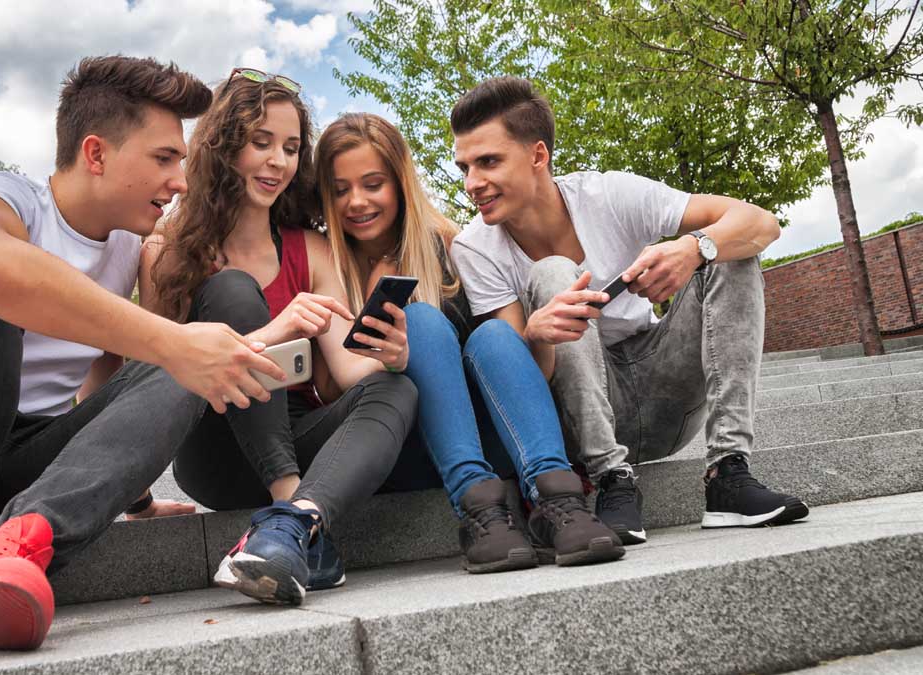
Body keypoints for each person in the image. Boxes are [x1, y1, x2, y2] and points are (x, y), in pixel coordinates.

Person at [0, 56, 287, 652]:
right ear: (96, 154)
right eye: (165, 159)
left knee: (183, 358)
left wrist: (131, 492)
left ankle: (20, 543)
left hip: (9, 470)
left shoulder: (124, 247)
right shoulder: (4, 198)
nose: (181, 181)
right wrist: (171, 340)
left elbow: (107, 384)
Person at [448, 76, 809, 545]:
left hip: (666, 388)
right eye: (464, 168)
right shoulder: (475, 248)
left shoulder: (609, 194)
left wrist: (693, 248)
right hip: (580, 413)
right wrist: (536, 334)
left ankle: (729, 474)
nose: (473, 183)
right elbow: (521, 392)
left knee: (728, 246)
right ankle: (612, 481)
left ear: (538, 155)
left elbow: (762, 223)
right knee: (554, 274)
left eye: (488, 162)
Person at [141, 69, 418, 606]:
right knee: (233, 292)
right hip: (216, 448)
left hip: (301, 435)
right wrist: (272, 331)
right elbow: (151, 385)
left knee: (396, 388)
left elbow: (349, 369)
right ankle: (290, 509)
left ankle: (291, 526)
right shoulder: (165, 252)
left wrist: (390, 356)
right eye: (260, 142)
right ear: (223, 148)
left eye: (291, 148)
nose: (279, 162)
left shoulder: (310, 249)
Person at [316, 112, 624, 572]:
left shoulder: (454, 247)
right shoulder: (326, 263)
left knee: (498, 335)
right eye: (340, 190)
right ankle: (478, 512)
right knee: (419, 320)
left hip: (491, 437)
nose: (356, 202)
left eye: (372, 184)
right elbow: (326, 390)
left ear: (400, 183)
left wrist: (536, 333)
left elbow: (522, 365)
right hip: (395, 444)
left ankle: (556, 502)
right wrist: (393, 360)